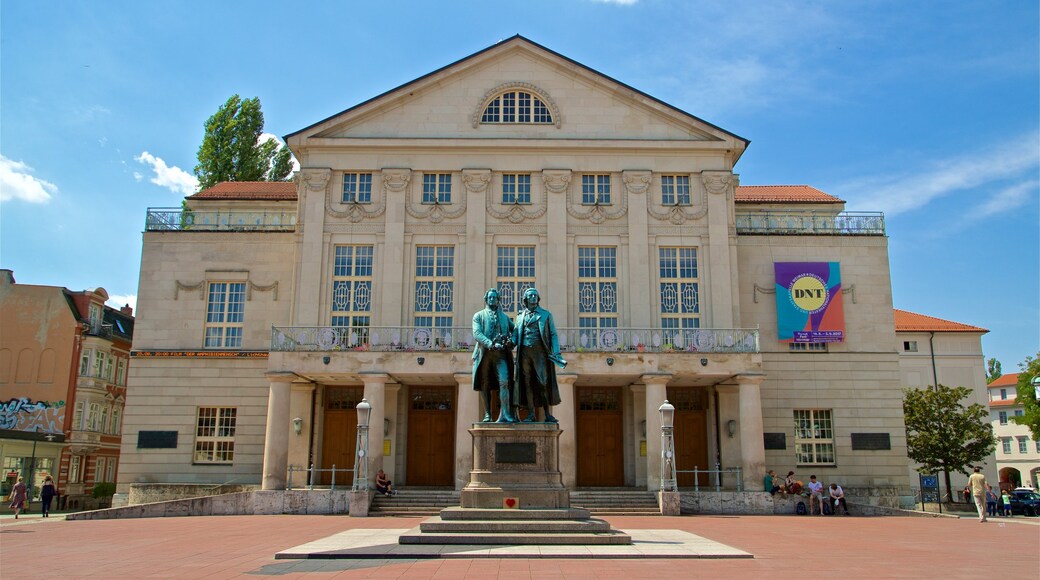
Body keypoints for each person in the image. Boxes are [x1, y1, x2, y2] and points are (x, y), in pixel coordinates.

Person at [512, 287, 566, 423]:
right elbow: (515, 335)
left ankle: (547, 413)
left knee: (543, 382)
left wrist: (557, 352)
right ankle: (531, 414)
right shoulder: (520, 316)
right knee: (527, 383)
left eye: (535, 295)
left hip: (540, 353)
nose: (533, 297)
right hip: (524, 353)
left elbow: (553, 334)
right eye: (530, 295)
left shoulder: (545, 315)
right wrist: (508, 344)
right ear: (525, 299)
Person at [471, 288, 517, 422]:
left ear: (498, 300)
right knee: (485, 384)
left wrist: (512, 342)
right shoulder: (478, 316)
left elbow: (515, 331)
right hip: (485, 354)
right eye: (490, 298)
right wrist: (490, 344)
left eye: (495, 298)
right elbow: (477, 333)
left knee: (504, 382)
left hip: (501, 355)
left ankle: (506, 413)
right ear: (486, 300)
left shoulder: (505, 317)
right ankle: (487, 414)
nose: (492, 300)